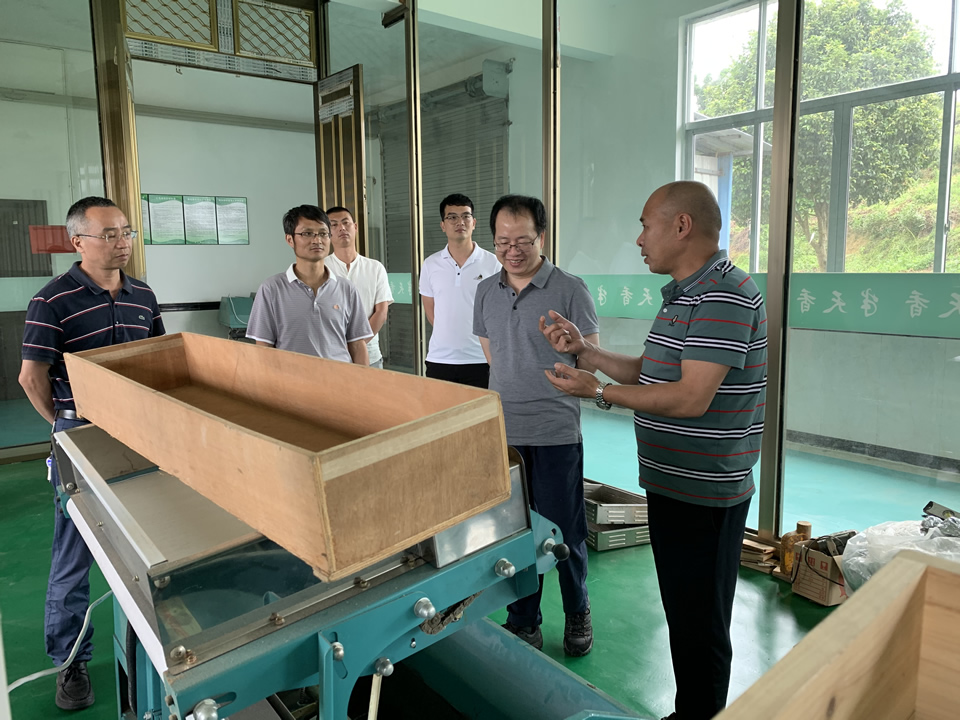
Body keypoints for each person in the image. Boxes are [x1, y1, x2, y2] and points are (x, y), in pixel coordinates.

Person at [541, 181, 767, 720]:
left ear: (681, 226)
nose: (639, 239)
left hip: (705, 493)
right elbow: (651, 371)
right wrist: (588, 352)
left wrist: (598, 392)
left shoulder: (724, 295)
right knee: (684, 614)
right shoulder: (686, 294)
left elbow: (690, 397)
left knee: (700, 623)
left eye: (646, 225)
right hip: (672, 484)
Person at [19, 196, 165, 711]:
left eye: (126, 232)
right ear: (77, 241)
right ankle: (71, 660)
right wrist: (64, 425)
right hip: (79, 438)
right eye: (109, 234)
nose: (121, 242)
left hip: (138, 438)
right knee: (74, 551)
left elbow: (157, 360)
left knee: (150, 545)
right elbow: (32, 378)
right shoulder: (52, 301)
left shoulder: (143, 295)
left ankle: (156, 645)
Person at [473, 194, 600, 656]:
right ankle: (523, 617)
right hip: (505, 434)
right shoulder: (485, 291)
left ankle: (577, 610)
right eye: (503, 241)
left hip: (554, 432)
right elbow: (494, 354)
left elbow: (589, 359)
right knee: (515, 531)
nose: (512, 250)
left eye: (523, 241)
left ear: (541, 237)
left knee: (564, 531)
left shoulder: (570, 289)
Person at [247, 205, 372, 364]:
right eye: (307, 233)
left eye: (323, 233)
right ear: (290, 239)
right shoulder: (272, 289)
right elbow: (264, 349)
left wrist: (363, 379)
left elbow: (357, 345)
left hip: (339, 377)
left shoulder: (346, 288)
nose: (317, 240)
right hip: (292, 378)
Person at [420, 193, 501, 388]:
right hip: (440, 359)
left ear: (474, 223)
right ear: (443, 225)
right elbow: (431, 311)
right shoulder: (430, 264)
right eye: (452, 217)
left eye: (466, 216)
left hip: (480, 359)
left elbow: (499, 311)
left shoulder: (493, 263)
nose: (460, 222)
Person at [324, 206, 393, 368]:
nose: (341, 228)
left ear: (355, 227)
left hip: (371, 356)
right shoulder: (322, 268)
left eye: (345, 222)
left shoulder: (375, 267)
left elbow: (381, 312)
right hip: (331, 356)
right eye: (334, 225)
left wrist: (357, 345)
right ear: (327, 233)